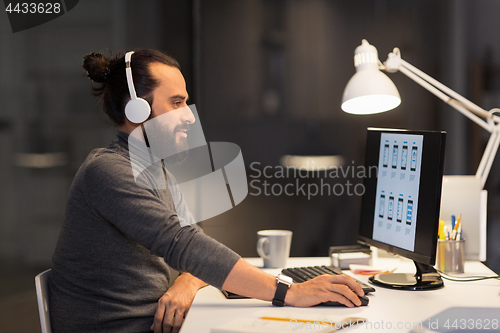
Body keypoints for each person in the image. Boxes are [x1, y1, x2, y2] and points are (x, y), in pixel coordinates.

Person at [48, 49, 364, 333]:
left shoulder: (156, 170)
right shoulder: (107, 172)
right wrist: (291, 292)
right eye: (176, 102)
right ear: (137, 112)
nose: (188, 115)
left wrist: (187, 281)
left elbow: (194, 243)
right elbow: (183, 244)